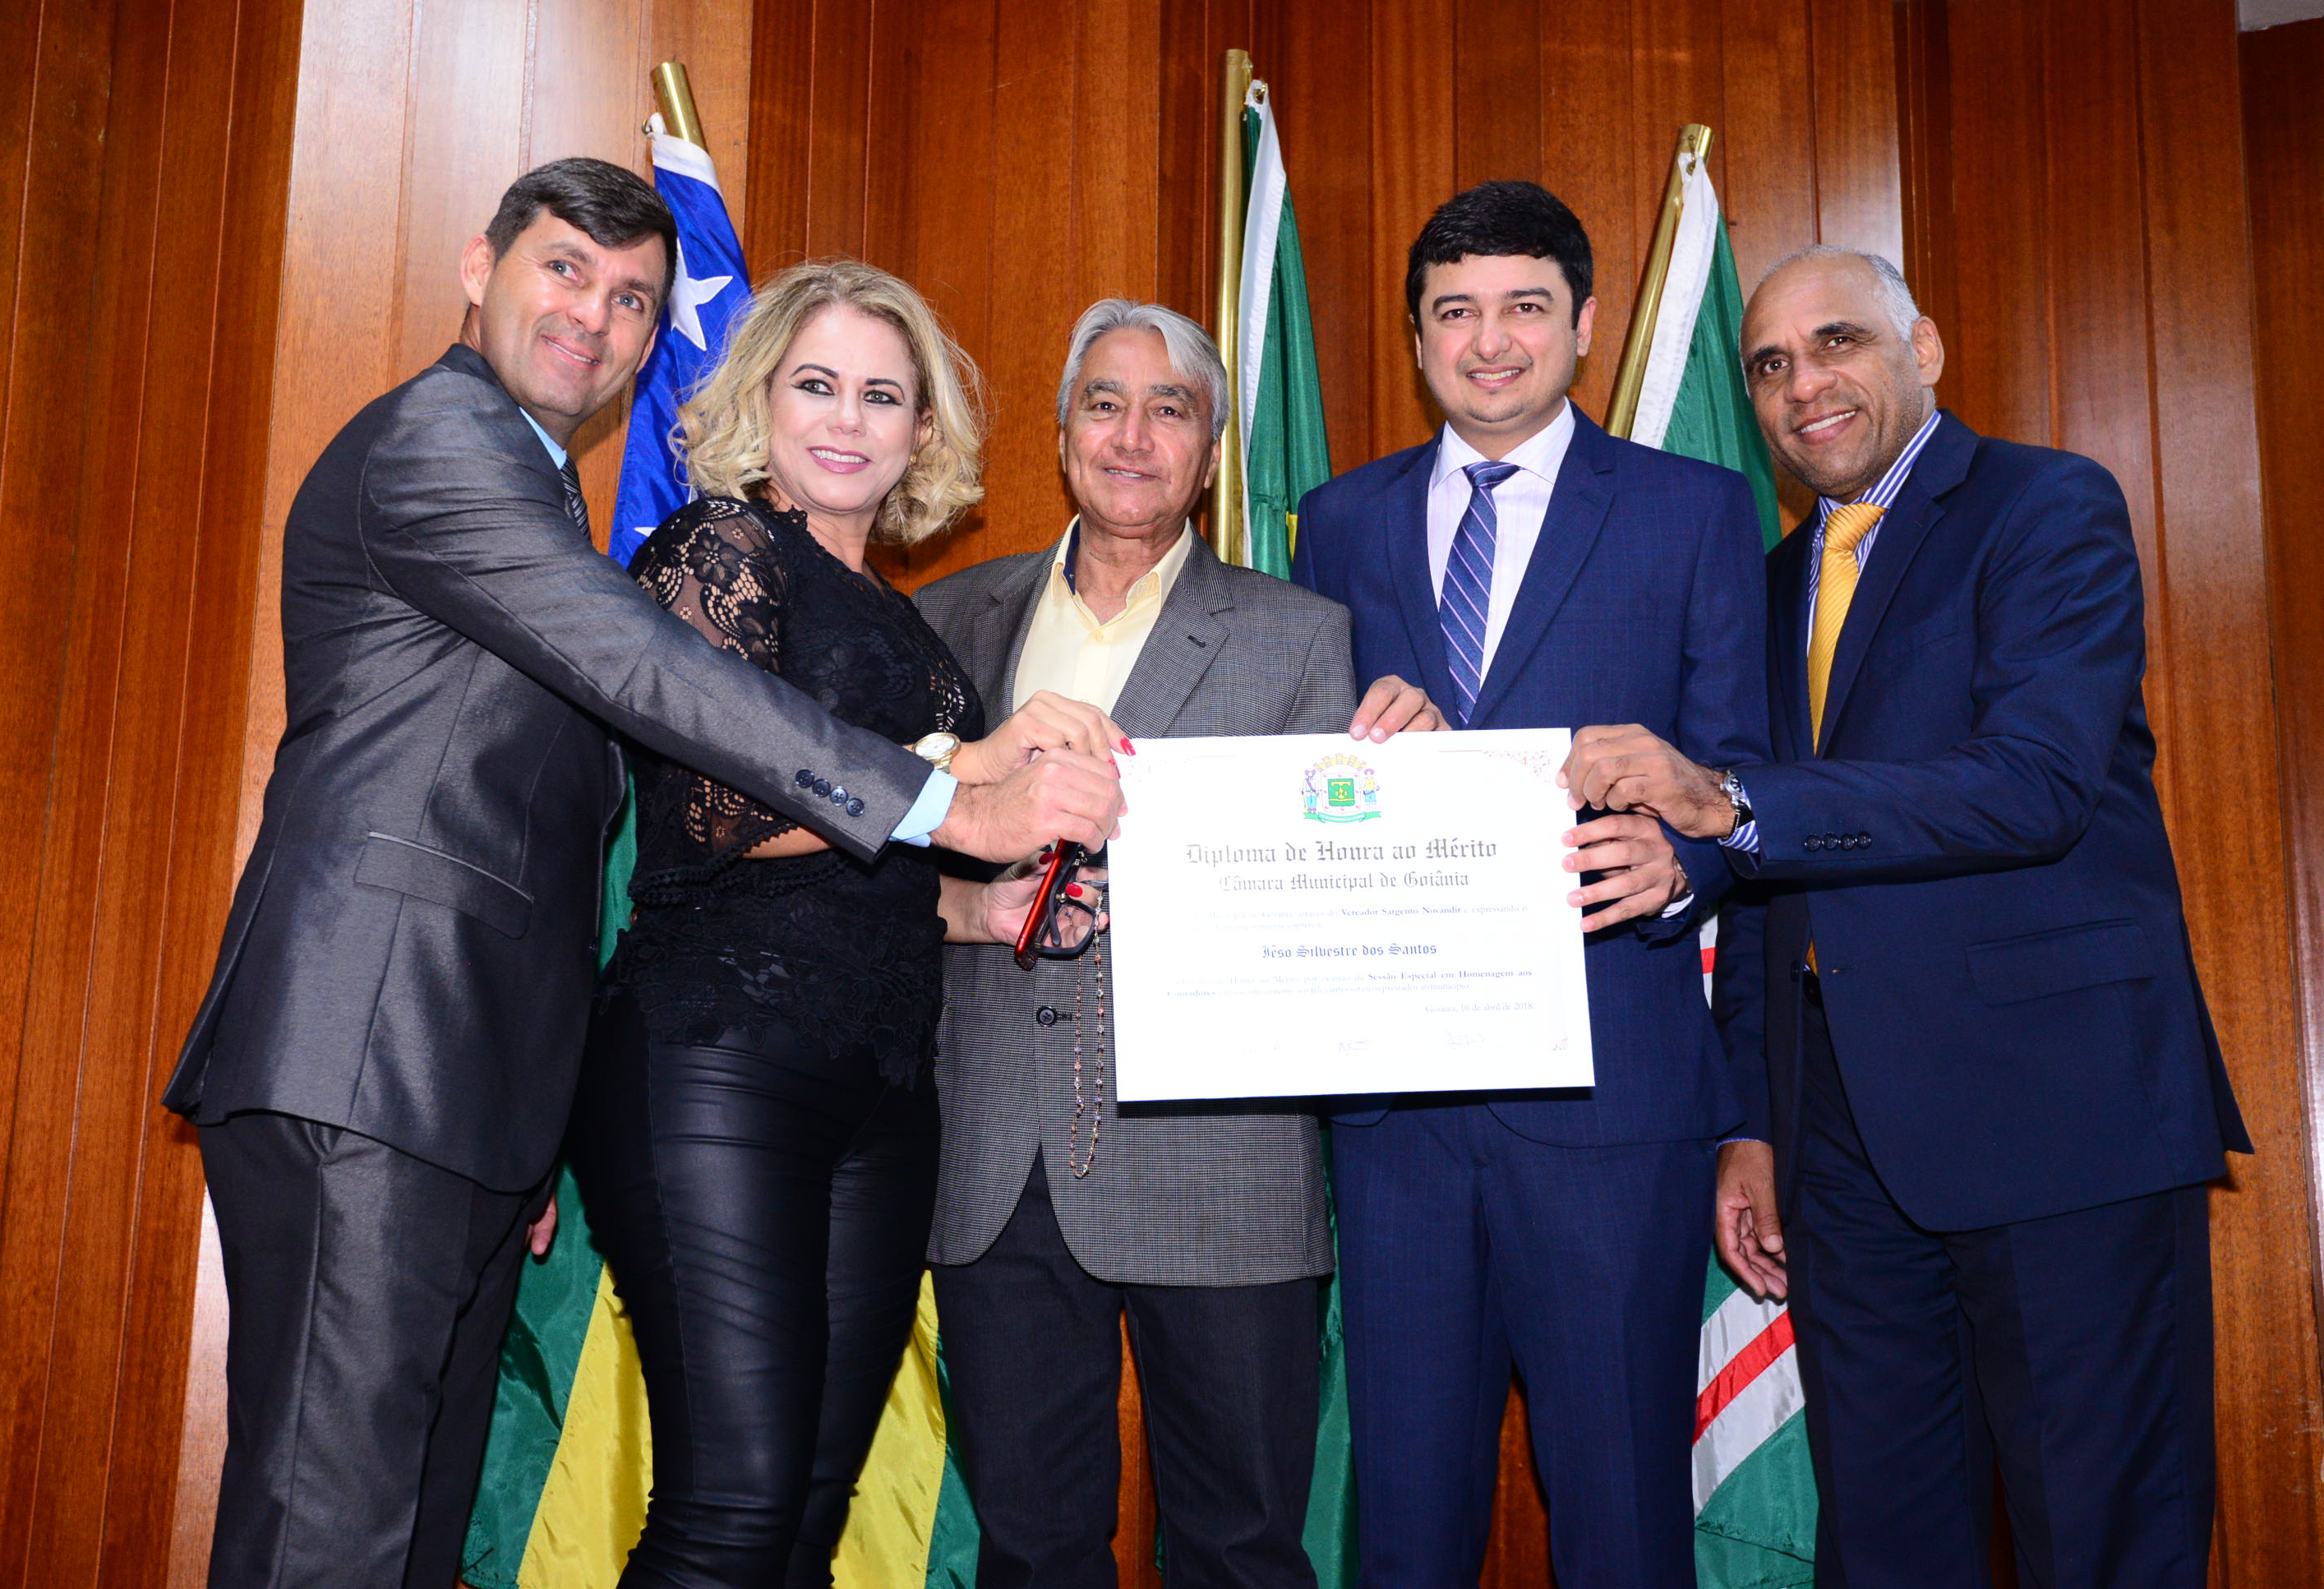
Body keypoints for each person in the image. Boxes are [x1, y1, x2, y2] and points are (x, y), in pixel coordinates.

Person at [164, 162, 1122, 1589]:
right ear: (479, 269)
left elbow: (560, 845)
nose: (594, 319)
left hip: (470, 1083)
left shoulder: (546, 492)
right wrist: (954, 788)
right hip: (370, 1051)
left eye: (631, 298)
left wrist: (528, 1124)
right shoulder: (440, 442)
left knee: (412, 1536)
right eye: (564, 271)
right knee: (335, 1534)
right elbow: (656, 690)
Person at [1562, 246, 2248, 1588]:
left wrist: (1730, 799)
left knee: (2102, 1536)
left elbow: (2035, 784)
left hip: (2060, 1115)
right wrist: (1754, 1123)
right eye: (1771, 365)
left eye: (1839, 344)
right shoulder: (1768, 585)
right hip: (1838, 1147)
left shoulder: (2045, 506)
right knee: (1885, 1543)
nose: (1803, 385)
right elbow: (1760, 874)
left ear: (1921, 349)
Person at [562, 260, 1124, 1586]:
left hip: (883, 1093)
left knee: (808, 1514)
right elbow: (714, 810)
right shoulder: (715, 550)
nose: (847, 419)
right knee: (732, 1505)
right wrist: (968, 775)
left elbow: (868, 870)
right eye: (817, 384)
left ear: (922, 432)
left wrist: (982, 909)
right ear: (762, 397)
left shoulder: (912, 629)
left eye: (883, 396)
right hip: (715, 1059)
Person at [1288, 180, 1771, 1587]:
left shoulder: (1694, 510)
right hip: (1396, 1117)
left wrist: (1679, 862)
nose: (1489, 341)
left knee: (1622, 1519)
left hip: (1614, 1099)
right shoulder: (1339, 521)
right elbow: (1306, 774)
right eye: (1455, 312)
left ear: (1585, 324)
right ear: (1417, 338)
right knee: (1403, 1524)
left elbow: (1746, 774)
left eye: (1523, 308)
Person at [916, 299, 1438, 1588]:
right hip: (995, 1157)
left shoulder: (1299, 635)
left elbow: (1336, 896)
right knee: (1031, 1551)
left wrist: (1408, 789)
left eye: (1171, 410)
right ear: (1061, 436)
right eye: (1104, 404)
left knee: (1240, 1551)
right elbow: (888, 864)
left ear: (1208, 454)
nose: (1133, 436)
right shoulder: (948, 618)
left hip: (1224, 1164)